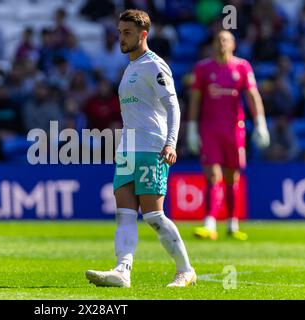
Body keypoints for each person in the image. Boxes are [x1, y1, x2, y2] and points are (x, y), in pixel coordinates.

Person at [85, 9, 196, 288]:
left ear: (143, 35)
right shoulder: (130, 67)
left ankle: (185, 270)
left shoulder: (154, 65)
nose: (121, 38)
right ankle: (123, 271)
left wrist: (171, 142)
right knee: (123, 213)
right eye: (120, 32)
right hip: (128, 148)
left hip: (151, 147)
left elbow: (173, 106)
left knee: (153, 215)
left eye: (127, 33)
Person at [187, 30, 270, 241]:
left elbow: (252, 95)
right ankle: (209, 223)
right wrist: (191, 127)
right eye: (218, 40)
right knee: (213, 175)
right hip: (210, 128)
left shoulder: (242, 67)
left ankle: (232, 224)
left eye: (225, 40)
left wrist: (260, 123)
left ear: (233, 44)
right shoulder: (203, 68)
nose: (221, 43)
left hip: (235, 128)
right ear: (213, 44)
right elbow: (195, 99)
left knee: (232, 177)